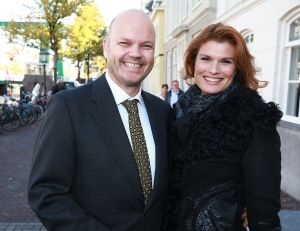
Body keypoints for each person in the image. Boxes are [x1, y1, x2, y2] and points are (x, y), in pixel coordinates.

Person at [28, 9, 172, 231]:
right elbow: (46, 193)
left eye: (146, 46)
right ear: (106, 47)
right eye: (124, 43)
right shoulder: (68, 107)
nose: (136, 53)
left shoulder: (162, 112)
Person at [162, 23, 282, 230]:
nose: (214, 70)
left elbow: (265, 211)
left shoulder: (254, 119)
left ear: (237, 68)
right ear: (193, 62)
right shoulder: (180, 109)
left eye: (225, 61)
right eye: (206, 58)